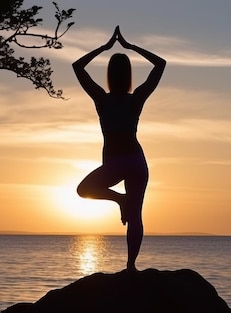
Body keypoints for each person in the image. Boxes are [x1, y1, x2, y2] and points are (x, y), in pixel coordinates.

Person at [72, 26, 166, 272]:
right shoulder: (136, 99)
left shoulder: (101, 99)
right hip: (136, 160)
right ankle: (131, 266)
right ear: (128, 75)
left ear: (110, 75)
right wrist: (131, 47)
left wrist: (104, 48)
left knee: (84, 189)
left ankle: (120, 200)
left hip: (115, 162)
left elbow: (77, 67)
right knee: (135, 216)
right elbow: (160, 65)